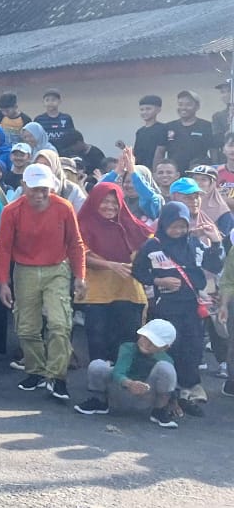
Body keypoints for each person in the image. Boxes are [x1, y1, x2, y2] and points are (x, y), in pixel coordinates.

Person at [0, 164, 87, 400]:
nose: (39, 195)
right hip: (25, 270)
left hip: (57, 268)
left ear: (51, 187)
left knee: (60, 323)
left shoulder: (64, 207)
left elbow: (76, 244)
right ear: (24, 186)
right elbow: (4, 248)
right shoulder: (11, 211)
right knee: (26, 327)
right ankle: (35, 371)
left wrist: (80, 276)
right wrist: (3, 282)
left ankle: (57, 377)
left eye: (44, 189)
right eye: (34, 189)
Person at [132, 201, 220, 416]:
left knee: (192, 349)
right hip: (166, 309)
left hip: (191, 307)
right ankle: (167, 397)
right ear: (164, 224)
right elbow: (138, 271)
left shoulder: (194, 243)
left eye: (183, 225)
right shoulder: (153, 246)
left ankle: (187, 395)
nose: (179, 230)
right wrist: (160, 281)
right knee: (170, 349)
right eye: (174, 226)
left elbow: (213, 266)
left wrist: (216, 242)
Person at [77, 182, 151, 365]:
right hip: (97, 294)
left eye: (114, 202)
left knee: (127, 343)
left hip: (129, 292)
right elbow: (77, 255)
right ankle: (98, 389)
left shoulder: (131, 224)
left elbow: (153, 246)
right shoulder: (82, 224)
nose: (110, 206)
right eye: (104, 201)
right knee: (98, 343)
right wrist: (110, 265)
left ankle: (123, 385)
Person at [76, 318, 180, 427]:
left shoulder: (166, 360)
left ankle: (160, 410)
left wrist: (173, 401)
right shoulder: (128, 348)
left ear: (165, 347)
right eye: (145, 338)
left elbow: (169, 383)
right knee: (97, 365)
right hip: (119, 390)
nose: (147, 343)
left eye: (153, 342)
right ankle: (99, 401)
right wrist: (130, 384)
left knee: (166, 368)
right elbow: (118, 372)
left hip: (146, 396)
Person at [155, 90, 212, 171]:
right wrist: (156, 173)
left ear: (197, 107)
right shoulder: (168, 127)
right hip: (173, 175)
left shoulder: (207, 126)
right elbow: (160, 152)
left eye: (188, 104)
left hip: (198, 174)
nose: (183, 108)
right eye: (180, 104)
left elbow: (214, 152)